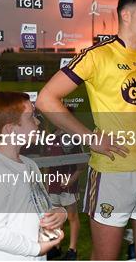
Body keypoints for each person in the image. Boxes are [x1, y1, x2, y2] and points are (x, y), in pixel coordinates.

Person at [36, 0, 136, 260]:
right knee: (105, 257)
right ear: (126, 14)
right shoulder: (97, 56)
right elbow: (46, 99)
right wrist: (89, 138)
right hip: (112, 173)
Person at [0, 91, 67, 260]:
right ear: (10, 129)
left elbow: (42, 205)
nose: (38, 121)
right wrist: (35, 249)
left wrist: (59, 213)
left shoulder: (29, 164)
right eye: (31, 117)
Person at [43, 106, 85, 261]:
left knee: (72, 217)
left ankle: (72, 250)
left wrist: (71, 180)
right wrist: (47, 181)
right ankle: (56, 246)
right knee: (55, 216)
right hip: (53, 186)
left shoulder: (73, 138)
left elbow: (81, 165)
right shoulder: (52, 136)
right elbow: (47, 162)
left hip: (68, 186)